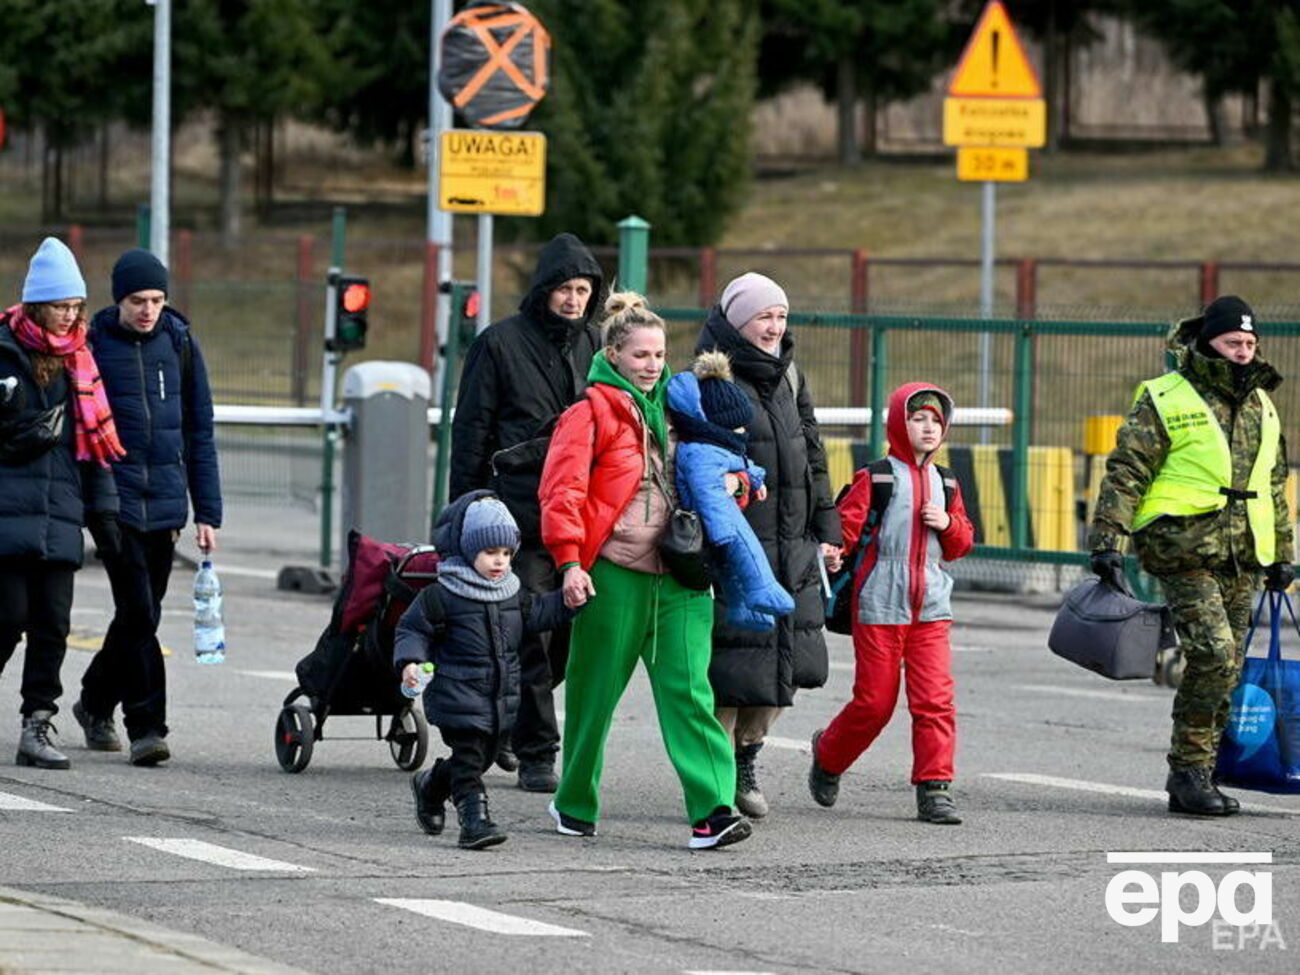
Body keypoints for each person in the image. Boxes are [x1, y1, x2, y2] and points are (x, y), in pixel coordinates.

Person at [539, 293, 751, 850]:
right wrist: (568, 564)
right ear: (613, 354)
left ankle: (713, 813)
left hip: (683, 578)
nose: (654, 365)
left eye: (659, 354)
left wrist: (741, 486)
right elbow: (562, 493)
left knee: (690, 694)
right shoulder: (587, 414)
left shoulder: (686, 409)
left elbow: (729, 462)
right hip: (614, 575)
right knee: (593, 696)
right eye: (641, 355)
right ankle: (575, 801)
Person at [1088, 295, 1292, 817]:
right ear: (1209, 343)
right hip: (1182, 546)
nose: (1244, 352)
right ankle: (1189, 772)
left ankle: (1206, 768)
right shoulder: (1166, 395)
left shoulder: (1262, 403)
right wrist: (1109, 540)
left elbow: (1273, 483)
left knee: (1228, 666)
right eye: (1232, 342)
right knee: (1216, 655)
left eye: (1250, 343)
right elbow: (1127, 469)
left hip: (1244, 552)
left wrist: (1282, 554)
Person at [449, 232, 604, 793]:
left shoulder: (597, 347)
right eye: (563, 288)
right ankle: (539, 750)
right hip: (517, 515)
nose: (572, 299)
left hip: (586, 515)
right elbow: (470, 432)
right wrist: (461, 514)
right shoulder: (499, 344)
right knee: (534, 636)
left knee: (568, 640)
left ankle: (515, 720)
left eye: (582, 289)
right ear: (544, 290)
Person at [695, 271, 842, 819]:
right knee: (733, 666)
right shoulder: (710, 380)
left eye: (780, 316)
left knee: (792, 664)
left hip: (794, 543)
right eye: (764, 317)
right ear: (738, 322)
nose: (774, 327)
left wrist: (827, 531)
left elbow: (814, 454)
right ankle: (720, 769)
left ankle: (746, 752)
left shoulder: (791, 376)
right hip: (738, 543)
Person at [72, 248, 222, 767]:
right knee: (138, 610)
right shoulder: (91, 346)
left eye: (157, 299)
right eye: (139, 300)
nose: (148, 309)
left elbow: (200, 432)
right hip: (114, 501)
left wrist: (208, 512)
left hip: (165, 504)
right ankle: (147, 727)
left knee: (143, 613)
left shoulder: (179, 345)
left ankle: (93, 701)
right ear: (119, 300)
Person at [807, 384, 975, 824]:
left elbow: (961, 545)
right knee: (874, 704)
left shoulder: (948, 482)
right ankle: (827, 755)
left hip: (932, 609)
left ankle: (935, 788)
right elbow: (844, 529)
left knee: (935, 702)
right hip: (879, 606)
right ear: (899, 424)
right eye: (918, 418)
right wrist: (833, 550)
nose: (928, 427)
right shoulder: (877, 477)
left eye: (936, 421)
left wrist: (950, 524)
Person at [0, 237, 122, 769]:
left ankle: (37, 723)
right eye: (59, 306)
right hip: (6, 516)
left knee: (53, 625)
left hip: (60, 516)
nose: (69, 316)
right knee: (7, 618)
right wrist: (18, 436)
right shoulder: (4, 354)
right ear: (35, 305)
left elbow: (96, 450)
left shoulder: (83, 365)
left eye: (75, 306)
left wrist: (106, 514)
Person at [396, 491, 573, 850]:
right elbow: (412, 629)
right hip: (457, 695)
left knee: (481, 758)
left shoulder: (511, 593)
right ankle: (475, 820)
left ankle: (431, 784)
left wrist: (569, 602)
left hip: (500, 699)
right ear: (467, 551)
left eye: (507, 554)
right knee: (470, 759)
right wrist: (410, 662)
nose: (500, 562)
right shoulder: (442, 594)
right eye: (490, 553)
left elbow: (539, 614)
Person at [665, 349, 794, 630]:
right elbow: (708, 493)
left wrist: (754, 480)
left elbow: (744, 464)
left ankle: (745, 609)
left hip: (720, 518)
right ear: (717, 425)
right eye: (737, 425)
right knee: (747, 548)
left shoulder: (719, 447)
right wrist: (723, 531)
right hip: (717, 524)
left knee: (730, 571)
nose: (742, 431)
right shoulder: (702, 452)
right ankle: (763, 586)